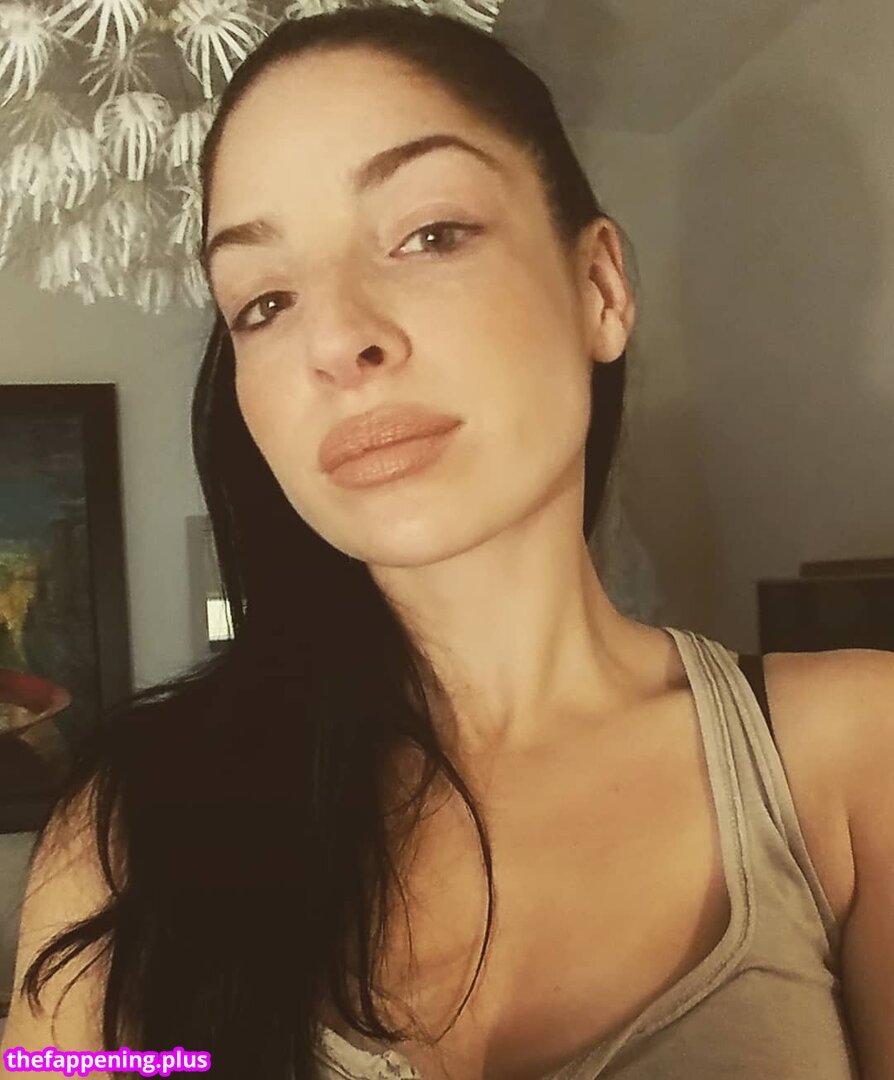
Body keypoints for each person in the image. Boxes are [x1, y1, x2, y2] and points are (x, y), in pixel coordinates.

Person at [2, 7, 892, 1079]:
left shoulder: (856, 751)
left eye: (429, 234)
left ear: (600, 289)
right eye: (265, 300)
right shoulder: (126, 828)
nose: (336, 338)